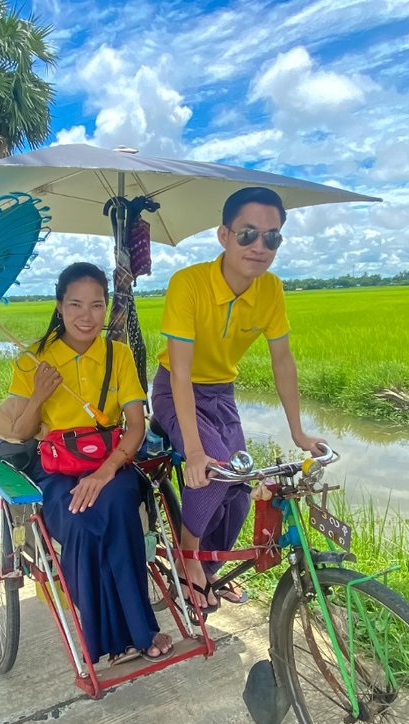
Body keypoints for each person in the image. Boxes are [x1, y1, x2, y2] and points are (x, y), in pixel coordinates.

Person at [151, 187, 325, 609]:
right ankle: (189, 556)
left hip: (221, 393)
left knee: (240, 488)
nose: (259, 246)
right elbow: (182, 372)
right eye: (248, 234)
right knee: (214, 471)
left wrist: (299, 433)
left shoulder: (271, 289)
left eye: (272, 237)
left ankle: (210, 568)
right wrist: (195, 452)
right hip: (177, 388)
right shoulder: (189, 284)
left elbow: (282, 360)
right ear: (224, 235)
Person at [3, 262, 173, 665]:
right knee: (80, 524)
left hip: (113, 464)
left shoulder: (118, 355)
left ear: (106, 307)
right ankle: (109, 638)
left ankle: (140, 631)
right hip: (56, 470)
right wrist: (39, 394)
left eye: (97, 305)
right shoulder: (34, 359)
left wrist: (103, 472)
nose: (87, 315)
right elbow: (21, 433)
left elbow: (135, 426)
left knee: (117, 510)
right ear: (59, 306)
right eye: (75, 304)